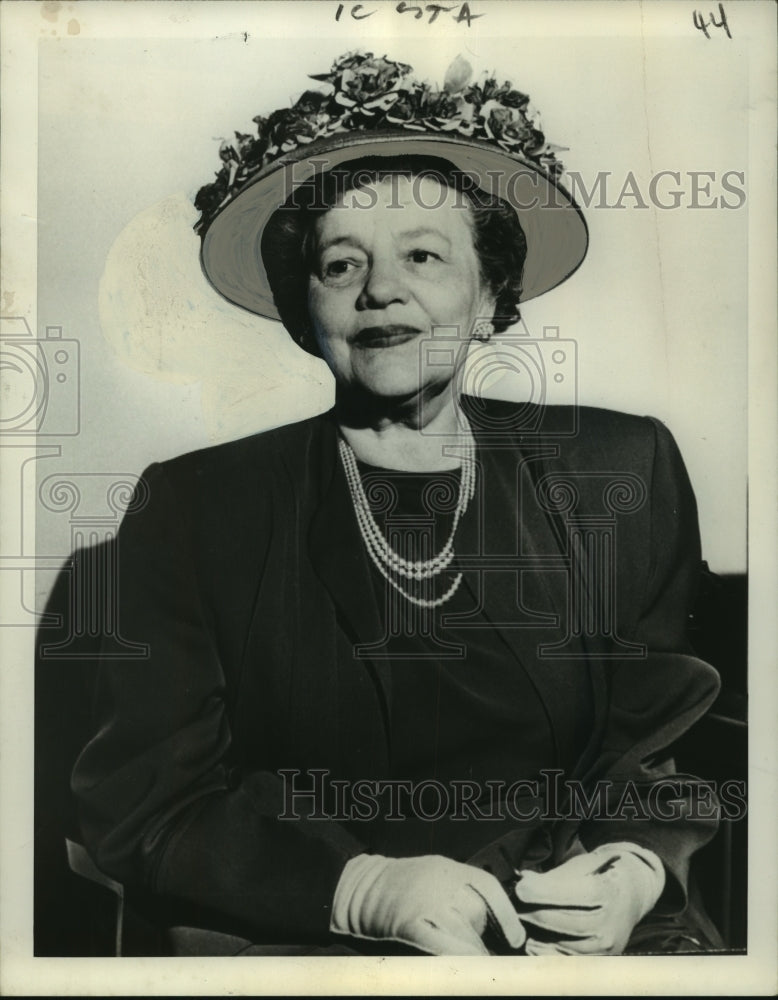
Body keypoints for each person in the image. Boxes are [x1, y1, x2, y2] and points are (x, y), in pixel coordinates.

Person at [69, 52, 724, 956]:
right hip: (316, 947)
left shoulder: (617, 468)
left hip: (575, 944)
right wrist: (358, 890)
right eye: (341, 265)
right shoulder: (196, 509)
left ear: (491, 295)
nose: (381, 291)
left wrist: (634, 869)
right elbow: (144, 802)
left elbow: (652, 748)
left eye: (423, 255)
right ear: (307, 314)